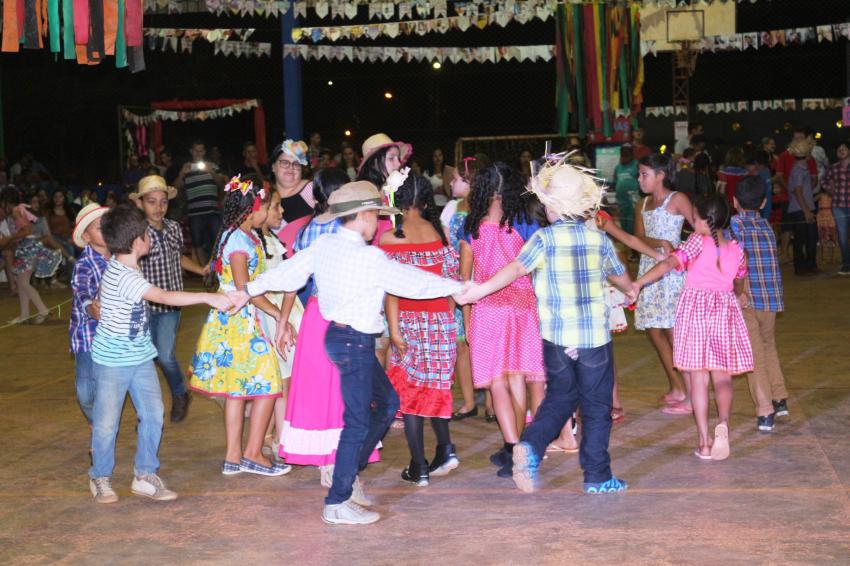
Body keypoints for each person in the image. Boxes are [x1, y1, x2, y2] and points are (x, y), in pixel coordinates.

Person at [228, 181, 465, 525]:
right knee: (356, 420)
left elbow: (287, 273)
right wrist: (459, 288)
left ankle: (347, 473)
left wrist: (247, 290)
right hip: (353, 341)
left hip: (340, 338)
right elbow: (413, 282)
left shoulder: (325, 245)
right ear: (365, 215)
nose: (378, 224)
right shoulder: (367, 256)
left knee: (386, 404)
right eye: (376, 216)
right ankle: (337, 500)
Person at [457, 155, 636, 494]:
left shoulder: (543, 240)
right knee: (596, 408)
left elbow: (513, 271)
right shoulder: (598, 239)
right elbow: (623, 281)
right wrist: (630, 291)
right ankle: (597, 476)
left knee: (559, 399)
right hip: (593, 340)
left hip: (556, 338)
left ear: (553, 208)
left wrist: (477, 290)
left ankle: (530, 445)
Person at [88, 204, 231, 504]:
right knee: (106, 423)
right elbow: (163, 297)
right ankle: (99, 476)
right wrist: (208, 296)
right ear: (137, 241)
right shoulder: (125, 275)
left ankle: (144, 474)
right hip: (113, 361)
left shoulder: (125, 265)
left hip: (139, 355)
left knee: (153, 414)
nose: (150, 236)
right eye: (146, 233)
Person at [275, 168, 379, 489]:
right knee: (344, 389)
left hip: (315, 313)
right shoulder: (344, 227)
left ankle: (327, 461)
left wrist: (283, 321)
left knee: (319, 390)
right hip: (342, 312)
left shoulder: (305, 230)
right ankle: (337, 462)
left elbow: (293, 277)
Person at [636, 194, 752, 460]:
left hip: (696, 312)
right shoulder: (736, 248)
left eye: (695, 218)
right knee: (722, 378)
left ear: (702, 221)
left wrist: (639, 283)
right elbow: (740, 279)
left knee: (699, 380)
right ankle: (723, 422)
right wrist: (740, 293)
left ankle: (704, 442)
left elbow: (668, 263)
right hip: (724, 310)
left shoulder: (697, 242)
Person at [189, 176, 290, 477]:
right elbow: (245, 289)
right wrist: (275, 313)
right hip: (240, 323)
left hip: (236, 320)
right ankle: (253, 453)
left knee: (237, 389)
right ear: (253, 208)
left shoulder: (245, 236)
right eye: (265, 205)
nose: (268, 210)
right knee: (268, 385)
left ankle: (234, 457)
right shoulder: (237, 241)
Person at [459, 162, 546, 479]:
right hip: (524, 306)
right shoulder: (526, 223)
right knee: (517, 379)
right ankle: (521, 445)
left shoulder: (471, 226)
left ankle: (513, 448)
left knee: (497, 382)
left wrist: (467, 319)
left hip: (488, 306)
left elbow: (465, 277)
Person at [380, 172, 460, 486]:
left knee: (410, 394)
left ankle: (419, 465)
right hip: (440, 321)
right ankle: (446, 449)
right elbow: (451, 281)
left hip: (409, 323)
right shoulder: (437, 233)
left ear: (397, 202)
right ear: (426, 201)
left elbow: (391, 292)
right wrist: (444, 316)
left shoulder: (390, 239)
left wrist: (395, 331)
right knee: (437, 388)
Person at [130, 175, 206, 423]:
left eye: (163, 202)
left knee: (164, 355)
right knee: (143, 358)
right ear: (140, 204)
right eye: (152, 202)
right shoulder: (135, 232)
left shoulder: (173, 228)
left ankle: (180, 392)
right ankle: (148, 412)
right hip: (142, 305)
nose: (158, 207)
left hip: (170, 303)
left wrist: (200, 269)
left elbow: (178, 258)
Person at [728, 176, 790, 432]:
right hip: (771, 300)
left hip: (748, 299)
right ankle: (780, 397)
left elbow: (734, 263)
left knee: (754, 356)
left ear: (734, 202)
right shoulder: (766, 226)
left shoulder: (733, 227)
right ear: (764, 202)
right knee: (768, 346)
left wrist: (736, 291)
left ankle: (765, 410)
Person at [635, 154, 695, 413]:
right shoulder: (643, 203)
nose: (640, 179)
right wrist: (659, 243)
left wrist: (684, 253)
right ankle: (677, 385)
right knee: (654, 330)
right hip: (649, 270)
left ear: (661, 175)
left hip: (673, 272)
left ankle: (693, 394)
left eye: (644, 174)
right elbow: (638, 237)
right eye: (639, 174)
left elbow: (700, 228)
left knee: (674, 333)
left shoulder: (677, 199)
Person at [440, 156, 492, 421]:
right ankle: (470, 400)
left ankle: (493, 401)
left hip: (481, 278)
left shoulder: (486, 208)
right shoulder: (451, 207)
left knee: (484, 340)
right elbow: (449, 244)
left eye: (458, 179)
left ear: (471, 182)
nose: (452, 182)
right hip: (456, 277)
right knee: (461, 342)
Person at [256, 189, 303, 456]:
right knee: (283, 379)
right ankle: (279, 441)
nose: (281, 211)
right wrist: (281, 319)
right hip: (272, 310)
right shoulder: (254, 242)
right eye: (276, 206)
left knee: (288, 379)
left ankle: (275, 435)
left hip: (285, 308)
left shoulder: (270, 237)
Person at [69, 204, 110, 442]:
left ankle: (103, 428)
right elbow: (81, 289)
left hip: (113, 336)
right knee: (85, 392)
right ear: (86, 236)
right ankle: (97, 423)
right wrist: (89, 307)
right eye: (98, 226)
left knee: (108, 387)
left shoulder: (121, 258)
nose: (104, 229)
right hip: (86, 336)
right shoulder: (83, 264)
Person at [2, 187, 59, 324]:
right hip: (26, 248)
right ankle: (24, 314)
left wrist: (9, 238)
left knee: (23, 283)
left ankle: (43, 310)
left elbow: (27, 230)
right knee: (22, 283)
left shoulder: (15, 211)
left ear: (6, 201)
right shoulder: (17, 210)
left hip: (28, 248)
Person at [173, 140, 225, 265]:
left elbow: (222, 185)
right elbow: (175, 188)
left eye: (201, 150)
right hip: (194, 213)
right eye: (196, 150)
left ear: (204, 152)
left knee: (217, 242)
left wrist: (211, 172)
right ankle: (205, 272)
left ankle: (217, 271)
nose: (198, 153)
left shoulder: (212, 166)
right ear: (191, 151)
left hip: (212, 211)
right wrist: (181, 174)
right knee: (197, 243)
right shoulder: (186, 168)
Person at [270, 139, 315, 246]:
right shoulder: (266, 194)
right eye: (285, 162)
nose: (290, 168)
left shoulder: (310, 189)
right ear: (273, 167)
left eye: (296, 164)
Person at [787, 138, 818, 275]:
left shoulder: (799, 168)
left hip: (802, 207)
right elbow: (798, 191)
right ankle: (801, 267)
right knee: (802, 239)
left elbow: (800, 190)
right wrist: (806, 210)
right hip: (801, 209)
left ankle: (807, 265)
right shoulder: (799, 169)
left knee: (807, 238)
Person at [821, 140, 850, 274]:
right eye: (839, 149)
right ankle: (846, 264)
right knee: (842, 236)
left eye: (844, 148)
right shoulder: (833, 168)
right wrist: (830, 189)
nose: (841, 151)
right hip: (838, 205)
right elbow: (823, 181)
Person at [613, 144, 640, 234]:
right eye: (623, 151)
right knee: (623, 221)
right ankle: (626, 244)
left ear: (631, 153)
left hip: (633, 200)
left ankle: (633, 245)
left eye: (627, 151)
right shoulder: (618, 167)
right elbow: (615, 181)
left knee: (632, 221)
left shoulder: (637, 165)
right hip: (621, 200)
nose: (625, 153)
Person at [46, 190, 77, 259]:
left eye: (60, 197)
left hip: (68, 237)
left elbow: (76, 226)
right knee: (69, 249)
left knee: (79, 248)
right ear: (52, 199)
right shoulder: (49, 212)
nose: (58, 199)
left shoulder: (70, 210)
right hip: (55, 238)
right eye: (55, 197)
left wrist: (73, 237)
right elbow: (46, 229)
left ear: (64, 198)